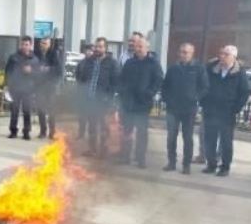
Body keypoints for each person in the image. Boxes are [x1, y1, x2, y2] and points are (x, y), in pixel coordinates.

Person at [200, 45, 250, 177]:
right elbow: (202, 84)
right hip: (210, 110)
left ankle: (225, 167)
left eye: (226, 54)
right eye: (221, 53)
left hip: (227, 113)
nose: (222, 56)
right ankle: (211, 164)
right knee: (209, 139)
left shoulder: (239, 72)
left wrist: (235, 108)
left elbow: (244, 92)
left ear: (234, 57)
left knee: (226, 141)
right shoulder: (211, 68)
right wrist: (203, 102)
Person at [161, 43, 209, 174]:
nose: (183, 54)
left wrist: (195, 97)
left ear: (192, 53)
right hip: (173, 108)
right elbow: (165, 86)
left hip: (189, 109)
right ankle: (171, 162)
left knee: (187, 138)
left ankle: (186, 164)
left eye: (186, 52)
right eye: (181, 52)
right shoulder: (173, 68)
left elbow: (205, 87)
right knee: (171, 136)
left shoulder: (199, 68)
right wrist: (166, 99)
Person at [116, 38, 163, 168]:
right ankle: (125, 156)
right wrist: (122, 92)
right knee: (127, 131)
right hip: (129, 103)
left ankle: (140, 158)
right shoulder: (130, 63)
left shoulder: (153, 63)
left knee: (142, 133)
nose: (138, 49)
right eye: (137, 46)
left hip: (143, 104)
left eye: (141, 46)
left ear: (147, 48)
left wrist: (149, 93)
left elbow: (158, 80)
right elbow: (121, 79)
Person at [76, 37, 120, 157]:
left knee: (103, 127)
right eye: (96, 46)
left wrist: (109, 98)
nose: (98, 49)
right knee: (92, 126)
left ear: (105, 48)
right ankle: (92, 149)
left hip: (103, 101)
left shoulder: (112, 63)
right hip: (90, 100)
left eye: (100, 46)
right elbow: (82, 77)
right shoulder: (89, 61)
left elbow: (115, 83)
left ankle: (103, 150)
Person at [5, 36, 40, 140]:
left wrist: (31, 71)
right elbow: (8, 72)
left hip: (28, 89)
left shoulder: (35, 59)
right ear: (20, 45)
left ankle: (26, 132)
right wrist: (6, 85)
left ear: (30, 45)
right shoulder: (13, 57)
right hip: (15, 88)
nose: (25, 46)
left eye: (27, 45)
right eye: (23, 44)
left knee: (27, 111)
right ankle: (13, 131)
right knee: (14, 110)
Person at [35, 37, 63, 139]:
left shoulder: (54, 54)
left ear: (50, 44)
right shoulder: (36, 53)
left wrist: (48, 69)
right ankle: (43, 131)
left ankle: (52, 131)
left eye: (45, 43)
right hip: (39, 86)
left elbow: (58, 70)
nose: (43, 45)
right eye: (42, 43)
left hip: (50, 86)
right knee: (41, 109)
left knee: (51, 110)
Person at [76, 44, 94, 139]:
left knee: (92, 117)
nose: (89, 52)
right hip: (82, 93)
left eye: (91, 50)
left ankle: (91, 135)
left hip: (92, 94)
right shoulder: (81, 63)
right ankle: (81, 133)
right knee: (81, 116)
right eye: (87, 50)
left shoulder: (96, 63)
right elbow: (77, 76)